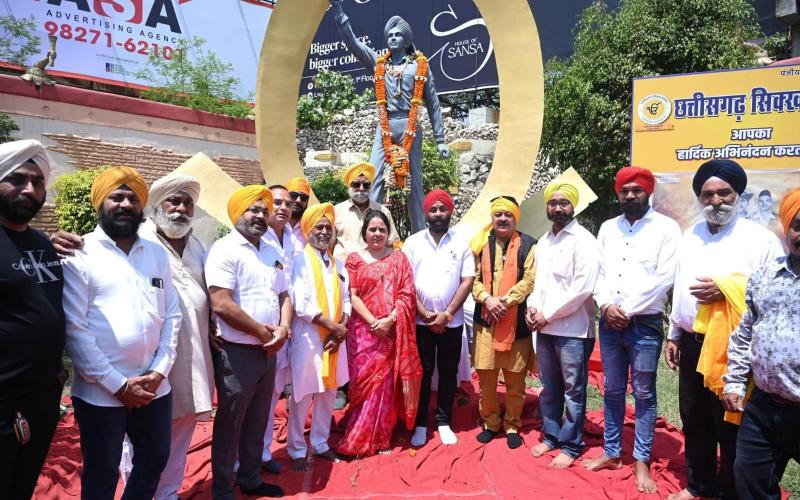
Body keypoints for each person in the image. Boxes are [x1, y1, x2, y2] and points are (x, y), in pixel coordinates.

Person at [50, 172, 217, 499]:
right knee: (102, 470)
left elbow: (171, 315)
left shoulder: (154, 254)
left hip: (155, 388)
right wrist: (119, 385)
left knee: (154, 459)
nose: (125, 204)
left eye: (133, 199)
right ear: (101, 203)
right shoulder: (80, 253)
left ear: (142, 205)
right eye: (117, 197)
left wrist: (158, 372)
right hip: (101, 392)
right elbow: (76, 328)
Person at [664, 159, 783, 500]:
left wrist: (727, 289)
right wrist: (674, 333)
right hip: (691, 341)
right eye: (707, 194)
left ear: (738, 194)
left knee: (730, 422)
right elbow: (679, 285)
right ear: (699, 198)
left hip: (734, 347)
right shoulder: (690, 236)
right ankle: (698, 484)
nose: (715, 201)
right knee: (694, 417)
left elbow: (773, 291)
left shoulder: (759, 239)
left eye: (723, 193)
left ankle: (730, 491)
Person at [583, 167, 681, 492]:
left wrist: (627, 309)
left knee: (644, 393)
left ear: (647, 192)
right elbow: (597, 273)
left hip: (645, 325)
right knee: (611, 388)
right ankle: (611, 452)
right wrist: (607, 306)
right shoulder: (609, 229)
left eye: (636, 190)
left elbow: (664, 278)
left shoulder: (667, 229)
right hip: (610, 323)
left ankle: (641, 460)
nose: (629, 196)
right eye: (624, 191)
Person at [328, 0, 449, 233]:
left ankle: (419, 234)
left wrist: (441, 140)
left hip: (410, 125)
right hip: (384, 124)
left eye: (397, 34)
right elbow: (353, 44)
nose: (392, 37)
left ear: (407, 39)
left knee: (414, 182)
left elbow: (433, 104)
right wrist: (340, 12)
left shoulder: (419, 66)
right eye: (389, 35)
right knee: (372, 177)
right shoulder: (378, 63)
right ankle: (369, 228)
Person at [205, 185, 290, 499]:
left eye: (263, 210)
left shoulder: (272, 251)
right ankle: (223, 489)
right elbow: (222, 304)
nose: (260, 215)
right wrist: (263, 333)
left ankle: (251, 478)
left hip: (269, 351)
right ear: (236, 212)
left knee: (259, 419)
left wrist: (283, 327)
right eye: (252, 209)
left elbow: (284, 293)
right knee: (231, 423)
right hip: (238, 351)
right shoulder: (224, 250)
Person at [721, 187, 800, 500]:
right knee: (749, 480)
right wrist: (734, 384)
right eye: (798, 225)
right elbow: (745, 333)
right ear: (787, 228)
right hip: (765, 405)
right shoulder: (766, 274)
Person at [0, 140, 65, 499]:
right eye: (17, 179)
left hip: (43, 397)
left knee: (22, 486)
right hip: (3, 400)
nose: (30, 189)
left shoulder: (43, 243)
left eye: (38, 182)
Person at [526, 182, 600, 468]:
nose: (558, 207)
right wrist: (532, 308)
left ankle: (571, 444)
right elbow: (538, 284)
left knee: (574, 390)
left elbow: (583, 288)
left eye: (564, 203)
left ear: (574, 206)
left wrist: (549, 315)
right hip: (544, 329)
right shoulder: (543, 242)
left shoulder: (584, 240)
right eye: (553, 202)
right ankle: (551, 435)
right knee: (549, 386)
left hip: (573, 331)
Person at [336, 210, 420, 456]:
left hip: (391, 330)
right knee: (363, 382)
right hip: (362, 331)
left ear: (388, 233)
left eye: (382, 229)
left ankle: (381, 437)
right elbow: (352, 296)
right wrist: (375, 323)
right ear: (364, 233)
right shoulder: (354, 259)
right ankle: (357, 434)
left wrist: (390, 320)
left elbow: (407, 294)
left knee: (384, 386)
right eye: (372, 229)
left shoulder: (399, 259)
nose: (377, 234)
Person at [402, 189, 475, 447]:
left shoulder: (461, 242)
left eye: (442, 209)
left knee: (448, 372)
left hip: (451, 323)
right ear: (426, 213)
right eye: (433, 209)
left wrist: (447, 314)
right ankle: (421, 423)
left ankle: (444, 421)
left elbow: (467, 280)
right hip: (420, 323)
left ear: (450, 211)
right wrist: (423, 313)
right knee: (422, 372)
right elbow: (406, 282)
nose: (438, 214)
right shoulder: (413, 243)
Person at [287, 203, 350, 471]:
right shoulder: (299, 260)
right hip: (309, 337)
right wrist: (331, 327)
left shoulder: (339, 264)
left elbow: (347, 299)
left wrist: (341, 328)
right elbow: (300, 303)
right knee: (302, 394)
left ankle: (321, 442)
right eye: (319, 227)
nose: (324, 232)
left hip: (335, 340)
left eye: (328, 228)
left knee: (328, 393)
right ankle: (296, 448)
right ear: (307, 230)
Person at [470, 195, 536, 450]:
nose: (502, 218)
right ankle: (491, 423)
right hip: (486, 321)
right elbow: (472, 278)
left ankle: (512, 424)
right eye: (498, 214)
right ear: (492, 218)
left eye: (507, 214)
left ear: (515, 218)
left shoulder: (529, 244)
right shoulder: (480, 244)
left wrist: (504, 302)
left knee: (515, 380)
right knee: (486, 379)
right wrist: (487, 299)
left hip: (515, 321)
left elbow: (530, 279)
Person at [260, 184, 297, 474]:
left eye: (288, 203)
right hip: (261, 330)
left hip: (290, 327)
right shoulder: (257, 237)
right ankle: (244, 457)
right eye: (277, 202)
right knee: (258, 396)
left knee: (275, 393)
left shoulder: (294, 241)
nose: (284, 207)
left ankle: (262, 452)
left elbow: (290, 288)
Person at [333, 163, 399, 262]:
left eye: (366, 185)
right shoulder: (336, 211)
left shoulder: (383, 211)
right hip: (342, 271)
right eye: (356, 184)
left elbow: (393, 243)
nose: (361, 188)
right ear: (349, 186)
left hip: (374, 272)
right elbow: (329, 245)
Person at [286, 176, 312, 251]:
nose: (298, 200)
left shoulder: (310, 229)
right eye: (293, 195)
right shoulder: (272, 225)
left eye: (303, 198)